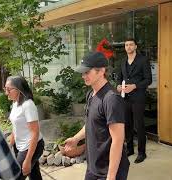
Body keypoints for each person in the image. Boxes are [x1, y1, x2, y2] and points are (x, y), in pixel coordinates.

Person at [65, 52, 130, 180]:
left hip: (108, 171)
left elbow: (118, 140)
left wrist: (111, 177)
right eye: (83, 73)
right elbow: (91, 123)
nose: (83, 76)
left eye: (87, 72)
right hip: (93, 168)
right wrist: (76, 138)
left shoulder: (111, 99)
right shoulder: (91, 94)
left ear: (101, 71)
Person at [116, 38, 152, 163]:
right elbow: (119, 78)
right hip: (125, 98)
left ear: (135, 46)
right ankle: (129, 149)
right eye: (126, 45)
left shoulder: (143, 60)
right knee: (127, 124)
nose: (129, 47)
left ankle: (142, 153)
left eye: (131, 44)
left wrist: (134, 86)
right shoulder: (122, 61)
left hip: (138, 97)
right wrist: (118, 86)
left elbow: (148, 80)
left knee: (139, 125)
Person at [4, 76, 44, 180]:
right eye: (5, 89)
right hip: (20, 146)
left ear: (19, 89)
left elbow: (35, 133)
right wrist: (10, 144)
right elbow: (15, 127)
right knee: (35, 175)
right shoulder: (15, 103)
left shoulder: (28, 105)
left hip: (31, 146)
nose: (6, 93)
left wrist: (27, 159)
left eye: (9, 89)